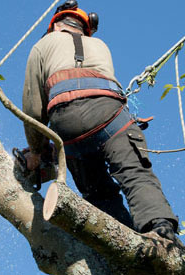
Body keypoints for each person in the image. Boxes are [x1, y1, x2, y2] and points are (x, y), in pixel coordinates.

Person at [22, 0, 182, 245]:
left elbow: (33, 108)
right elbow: (93, 97)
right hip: (111, 118)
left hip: (67, 126)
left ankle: (121, 244)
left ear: (55, 26)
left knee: (98, 193)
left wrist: (36, 152)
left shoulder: (42, 45)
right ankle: (160, 231)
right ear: (85, 29)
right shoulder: (99, 44)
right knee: (135, 173)